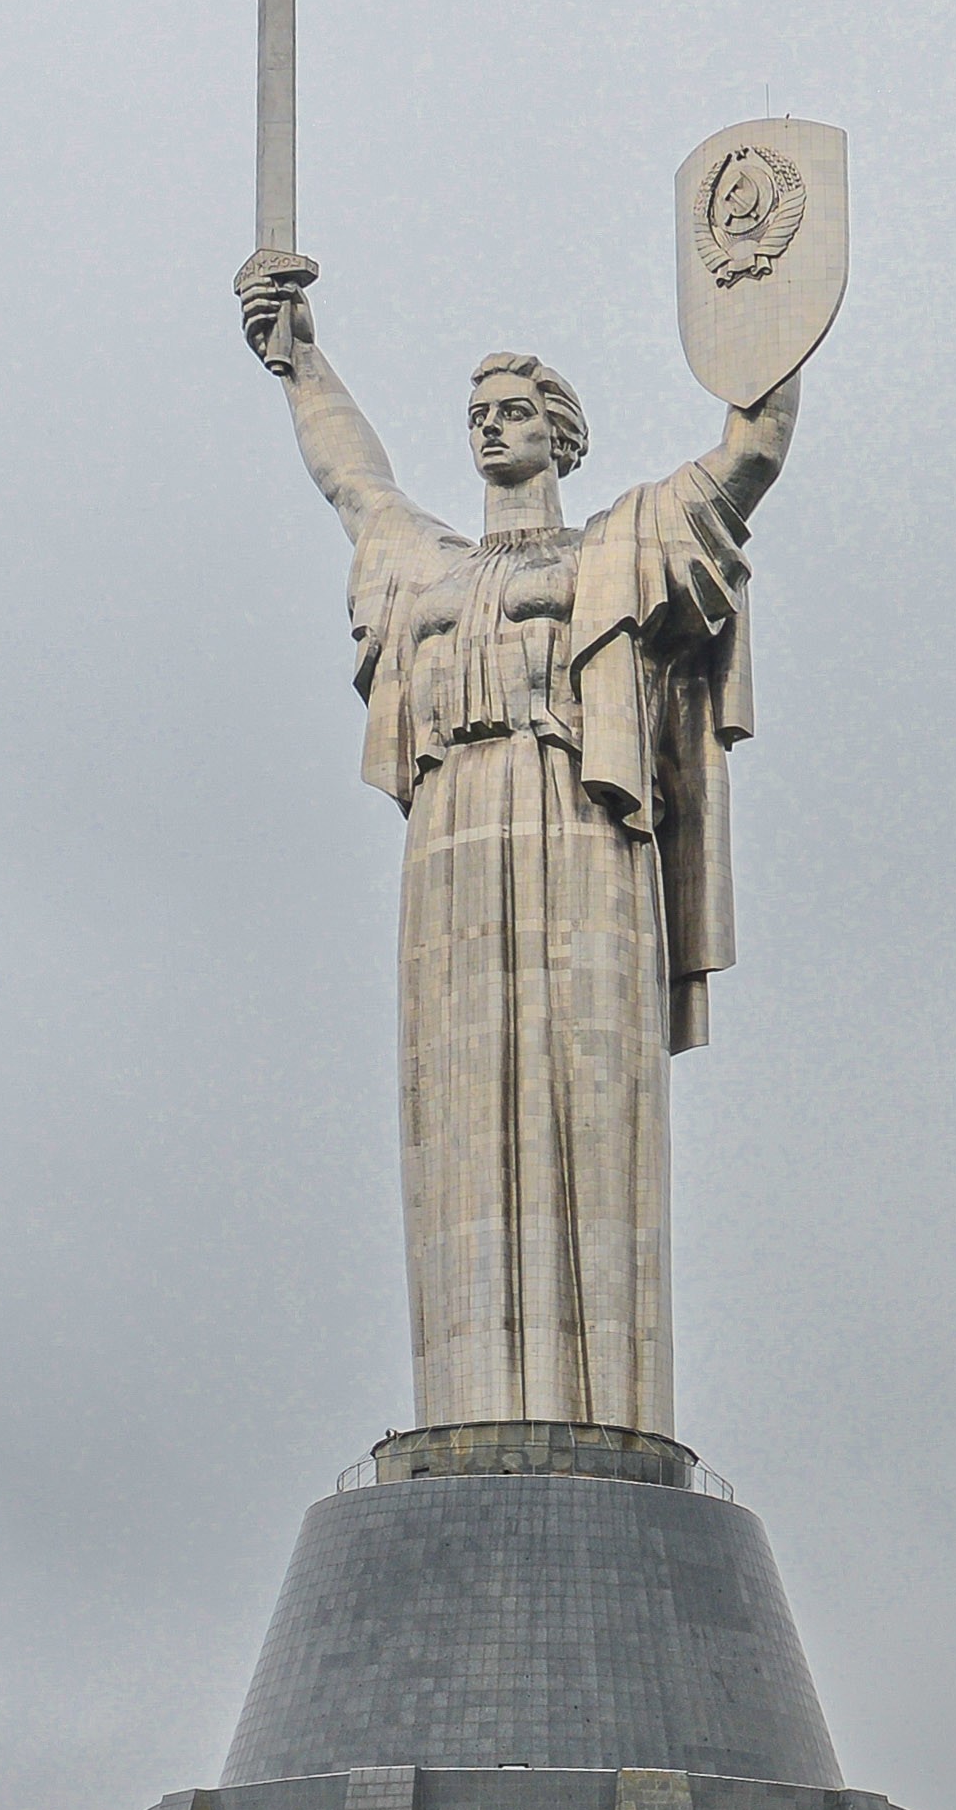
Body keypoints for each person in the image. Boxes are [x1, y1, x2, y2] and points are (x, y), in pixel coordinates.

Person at [234, 252, 794, 1435]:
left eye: (516, 412)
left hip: (583, 825)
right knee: (460, 1119)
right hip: (451, 847)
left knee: (591, 1102)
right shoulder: (422, 565)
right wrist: (299, 360)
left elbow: (747, 461)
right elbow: (351, 478)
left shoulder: (619, 547)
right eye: (478, 416)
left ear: (563, 435)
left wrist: (776, 336)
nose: (492, 430)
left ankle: (604, 1415)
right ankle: (474, 1408)